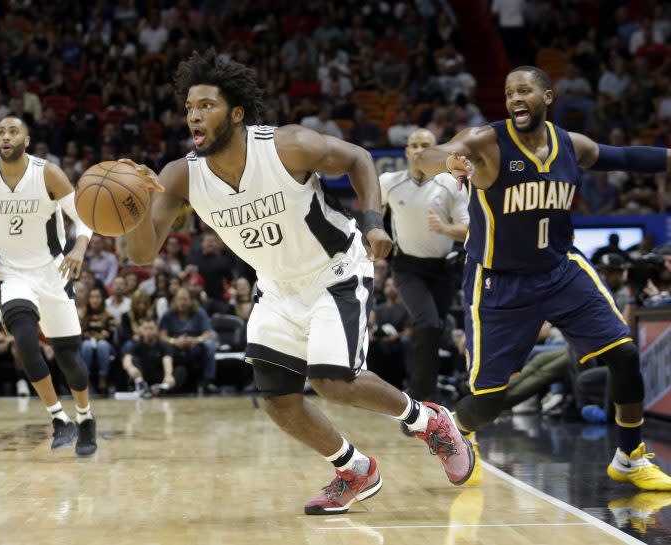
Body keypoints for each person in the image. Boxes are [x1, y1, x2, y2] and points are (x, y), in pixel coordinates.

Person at [123, 49, 474, 515]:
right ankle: (353, 468)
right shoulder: (180, 175)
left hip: (335, 269)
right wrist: (129, 207)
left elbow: (358, 158)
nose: (194, 115)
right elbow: (142, 254)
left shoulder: (284, 146)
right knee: (278, 399)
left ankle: (429, 421)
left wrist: (372, 221)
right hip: (277, 284)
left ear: (236, 113)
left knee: (332, 381)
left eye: (206, 105)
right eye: (189, 107)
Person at [413, 65, 671, 490]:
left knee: (624, 354)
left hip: (559, 270)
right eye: (509, 92)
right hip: (499, 282)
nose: (515, 98)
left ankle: (630, 456)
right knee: (490, 400)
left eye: (525, 91)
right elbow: (427, 157)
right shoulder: (486, 141)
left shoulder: (572, 146)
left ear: (547, 97)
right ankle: (454, 427)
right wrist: (451, 160)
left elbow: (626, 158)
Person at [0, 116, 97, 456]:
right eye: (0, 131)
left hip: (53, 272)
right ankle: (58, 419)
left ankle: (85, 418)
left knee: (70, 360)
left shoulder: (47, 173)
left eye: (13, 131)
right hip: (10, 273)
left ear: (27, 139)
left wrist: (79, 248)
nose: (5, 136)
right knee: (24, 338)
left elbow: (82, 216)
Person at [379, 128, 469, 418]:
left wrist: (445, 229)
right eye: (414, 145)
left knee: (434, 329)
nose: (419, 150)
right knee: (427, 322)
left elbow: (468, 228)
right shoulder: (388, 182)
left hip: (443, 269)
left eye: (425, 145)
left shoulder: (450, 184)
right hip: (406, 267)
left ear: (437, 151)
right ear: (406, 151)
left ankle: (424, 398)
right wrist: (374, 235)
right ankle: (419, 402)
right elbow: (372, 212)